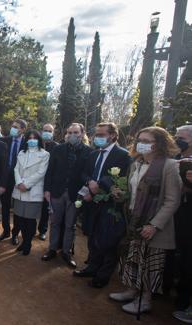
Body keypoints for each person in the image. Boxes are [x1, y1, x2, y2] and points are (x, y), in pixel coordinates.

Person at [109, 126, 181, 315]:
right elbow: (134, 194)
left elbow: (172, 201)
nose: (141, 144)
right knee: (132, 258)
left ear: (159, 144)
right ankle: (131, 291)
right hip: (134, 221)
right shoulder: (136, 164)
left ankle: (146, 299)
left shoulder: (170, 166)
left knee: (150, 263)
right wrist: (121, 194)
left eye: (147, 141)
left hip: (154, 226)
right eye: (140, 140)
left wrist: (154, 225)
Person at [74, 122, 131, 287]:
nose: (97, 138)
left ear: (112, 135)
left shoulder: (123, 155)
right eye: (96, 134)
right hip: (91, 202)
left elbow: (121, 180)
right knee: (92, 237)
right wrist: (90, 183)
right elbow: (84, 173)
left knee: (108, 241)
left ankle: (102, 276)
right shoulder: (93, 154)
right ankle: (92, 267)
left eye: (101, 135)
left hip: (110, 204)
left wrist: (98, 186)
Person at [42, 123, 92, 268]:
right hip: (57, 192)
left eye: (75, 132)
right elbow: (50, 171)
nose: (71, 135)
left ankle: (66, 252)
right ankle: (52, 249)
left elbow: (88, 174)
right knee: (55, 222)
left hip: (75, 195)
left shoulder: (88, 152)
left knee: (70, 225)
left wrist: (83, 193)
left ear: (82, 134)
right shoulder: (58, 149)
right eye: (69, 132)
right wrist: (47, 190)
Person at [12, 130, 49, 255]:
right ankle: (23, 242)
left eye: (35, 138)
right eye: (30, 138)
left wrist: (26, 184)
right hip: (19, 190)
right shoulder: (22, 153)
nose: (32, 140)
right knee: (20, 219)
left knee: (30, 220)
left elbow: (40, 173)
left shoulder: (44, 154)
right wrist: (19, 183)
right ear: (26, 140)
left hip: (33, 191)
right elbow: (16, 169)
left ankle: (28, 243)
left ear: (39, 140)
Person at [173, 125, 192, 323]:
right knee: (180, 257)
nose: (177, 140)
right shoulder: (176, 159)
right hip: (177, 216)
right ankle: (180, 296)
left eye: (182, 137)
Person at [0, 119, 27, 244]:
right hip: (5, 178)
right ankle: (5, 231)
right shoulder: (4, 141)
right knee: (5, 206)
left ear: (23, 130)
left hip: (20, 180)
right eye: (12, 126)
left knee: (17, 207)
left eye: (16, 127)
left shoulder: (27, 143)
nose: (13, 129)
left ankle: (15, 233)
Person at [37, 123, 58, 240]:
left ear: (53, 133)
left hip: (48, 181)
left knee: (45, 207)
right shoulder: (36, 144)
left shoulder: (57, 147)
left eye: (49, 131)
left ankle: (42, 230)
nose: (47, 132)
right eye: (45, 130)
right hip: (35, 180)